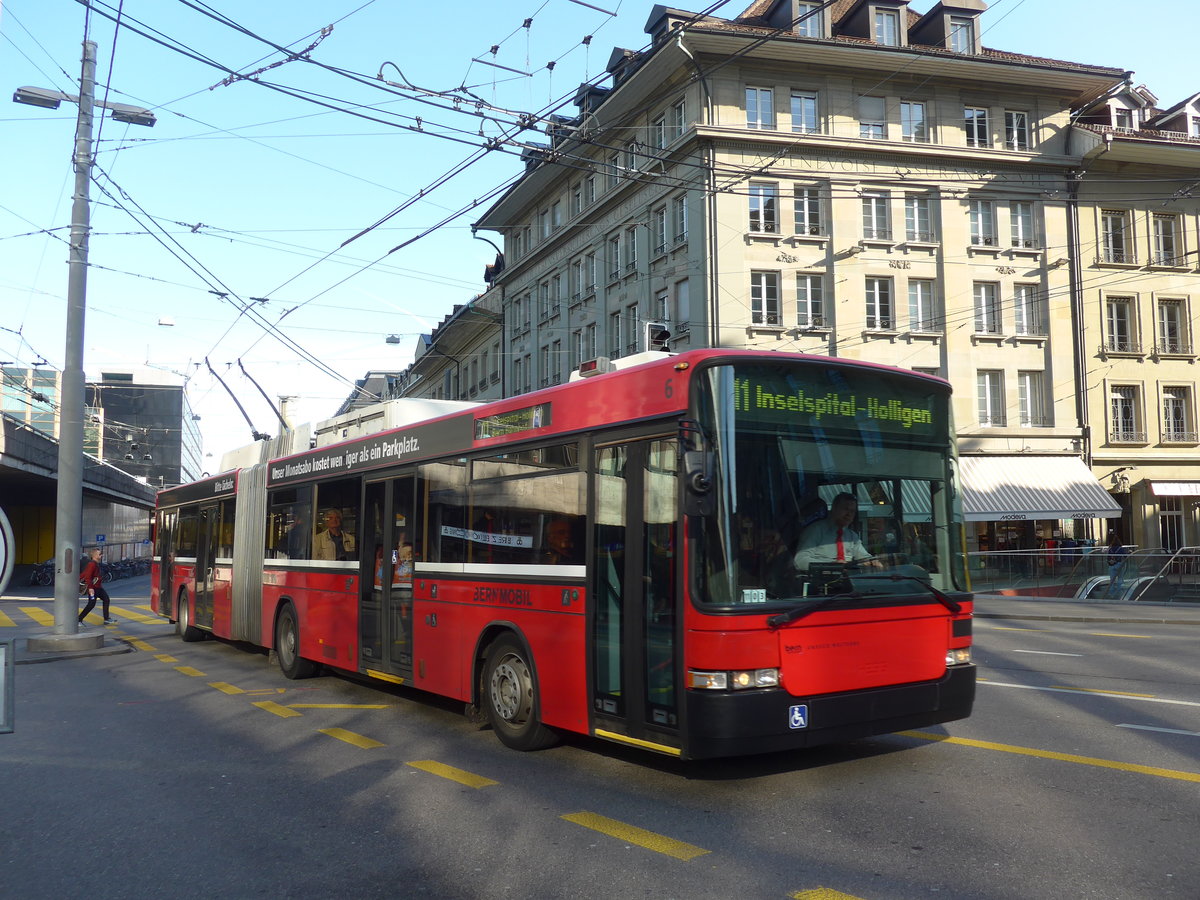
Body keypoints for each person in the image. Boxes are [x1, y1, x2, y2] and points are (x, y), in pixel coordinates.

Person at [793, 492, 883, 572]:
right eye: (845, 509)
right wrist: (831, 565)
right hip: (820, 585)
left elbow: (863, 558)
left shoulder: (852, 537)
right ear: (834, 508)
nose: (849, 514)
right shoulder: (815, 530)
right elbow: (799, 561)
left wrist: (872, 561)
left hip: (850, 584)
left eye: (852, 511)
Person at [78, 547, 115, 626]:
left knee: (106, 599)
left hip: (98, 587)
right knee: (91, 604)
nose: (101, 556)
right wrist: (90, 588)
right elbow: (88, 576)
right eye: (100, 554)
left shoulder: (95, 564)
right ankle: (79, 619)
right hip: (93, 588)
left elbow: (85, 574)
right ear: (95, 556)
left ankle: (106, 619)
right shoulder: (92, 564)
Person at [1105, 531, 1129, 598]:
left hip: (1111, 565)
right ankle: (1119, 592)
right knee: (1120, 578)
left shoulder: (1110, 549)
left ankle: (1111, 593)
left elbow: (1108, 557)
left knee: (1112, 580)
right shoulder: (1120, 549)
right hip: (1119, 564)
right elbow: (1125, 556)